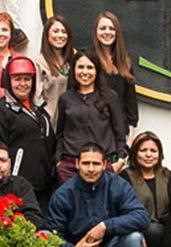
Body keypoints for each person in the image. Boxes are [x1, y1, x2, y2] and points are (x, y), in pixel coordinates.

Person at [45, 144, 147, 247]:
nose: (91, 169)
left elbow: (141, 216)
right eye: (86, 163)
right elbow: (52, 236)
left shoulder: (117, 184)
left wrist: (106, 226)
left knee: (134, 238)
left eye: (96, 163)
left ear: (105, 164)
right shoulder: (64, 194)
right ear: (77, 164)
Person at [0, 55, 56, 204]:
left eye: (27, 79)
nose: (23, 84)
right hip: (14, 190)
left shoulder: (40, 112)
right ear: (8, 81)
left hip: (43, 188)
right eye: (17, 79)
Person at [54, 52, 126, 185]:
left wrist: (120, 161)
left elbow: (120, 133)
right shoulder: (65, 98)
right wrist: (59, 162)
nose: (85, 72)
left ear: (97, 70)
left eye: (90, 67)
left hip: (102, 165)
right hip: (70, 166)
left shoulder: (110, 97)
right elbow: (60, 133)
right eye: (80, 67)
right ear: (74, 70)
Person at [124, 131, 171, 247]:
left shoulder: (167, 175)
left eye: (153, 150)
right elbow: (123, 208)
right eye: (143, 150)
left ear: (160, 154)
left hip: (164, 227)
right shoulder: (126, 176)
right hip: (135, 226)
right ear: (135, 153)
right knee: (153, 231)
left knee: (157, 231)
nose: (149, 155)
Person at [90, 11, 140, 137]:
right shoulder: (87, 57)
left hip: (118, 130)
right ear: (96, 32)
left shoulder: (124, 60)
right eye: (103, 28)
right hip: (92, 128)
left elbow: (130, 99)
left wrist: (130, 136)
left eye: (112, 29)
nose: (107, 32)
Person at [33, 15, 77, 124]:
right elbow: (36, 97)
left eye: (64, 32)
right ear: (47, 34)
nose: (60, 35)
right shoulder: (38, 62)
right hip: (48, 121)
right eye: (56, 31)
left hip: (70, 122)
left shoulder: (72, 62)